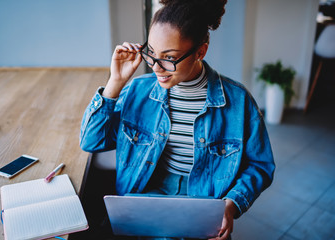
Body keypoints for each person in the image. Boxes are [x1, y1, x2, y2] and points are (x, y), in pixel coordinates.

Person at [80, 0, 275, 239]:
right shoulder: (137, 91)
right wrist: (114, 84)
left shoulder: (238, 101)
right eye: (151, 53)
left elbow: (260, 165)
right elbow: (91, 142)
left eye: (168, 57)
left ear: (200, 51)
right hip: (144, 197)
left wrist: (232, 204)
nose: (156, 68)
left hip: (203, 203)